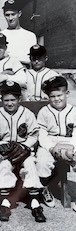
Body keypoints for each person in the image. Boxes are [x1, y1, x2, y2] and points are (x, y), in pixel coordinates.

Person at [0, 80, 46, 223]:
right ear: (1, 99)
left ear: (19, 99)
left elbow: (34, 134)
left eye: (13, 99)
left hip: (23, 149)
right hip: (5, 150)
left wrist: (25, 146)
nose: (10, 103)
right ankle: (5, 204)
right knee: (4, 166)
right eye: (6, 100)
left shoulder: (27, 114)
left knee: (30, 163)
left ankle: (35, 203)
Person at [36, 76, 76, 211]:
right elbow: (41, 133)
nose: (56, 99)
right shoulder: (44, 111)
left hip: (69, 141)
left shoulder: (73, 110)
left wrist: (72, 146)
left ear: (67, 94)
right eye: (52, 96)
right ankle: (45, 188)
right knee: (42, 161)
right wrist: (51, 147)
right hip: (50, 142)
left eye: (60, 95)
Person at [0, 0, 37, 66]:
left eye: (13, 14)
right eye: (7, 15)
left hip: (24, 72)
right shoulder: (1, 35)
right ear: (4, 15)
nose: (10, 18)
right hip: (5, 73)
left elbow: (32, 60)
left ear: (19, 14)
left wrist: (8, 57)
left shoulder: (29, 36)